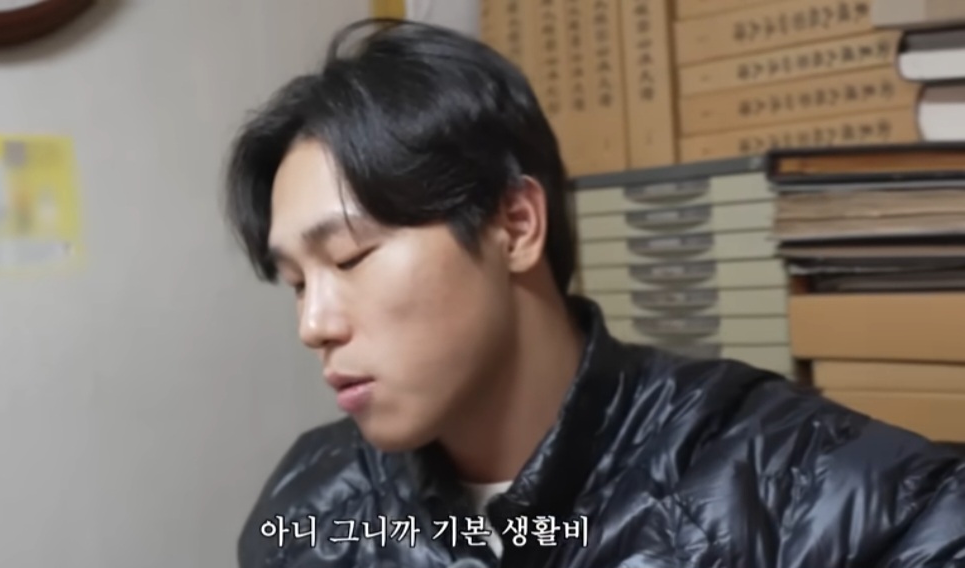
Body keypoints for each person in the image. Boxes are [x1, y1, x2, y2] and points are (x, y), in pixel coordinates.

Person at [225, 17, 965, 568]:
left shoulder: (786, 478)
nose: (313, 324)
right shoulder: (309, 508)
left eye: (350, 258)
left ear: (516, 225)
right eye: (296, 283)